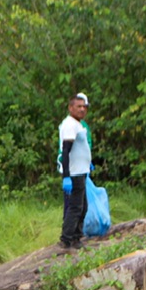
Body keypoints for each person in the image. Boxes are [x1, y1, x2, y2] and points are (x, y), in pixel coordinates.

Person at [58, 93, 92, 250]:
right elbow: (66, 151)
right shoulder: (70, 125)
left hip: (81, 171)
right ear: (70, 108)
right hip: (74, 173)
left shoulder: (78, 124)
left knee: (83, 206)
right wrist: (67, 176)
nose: (82, 109)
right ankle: (66, 239)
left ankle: (77, 237)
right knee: (75, 207)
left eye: (84, 106)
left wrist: (88, 163)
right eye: (78, 106)